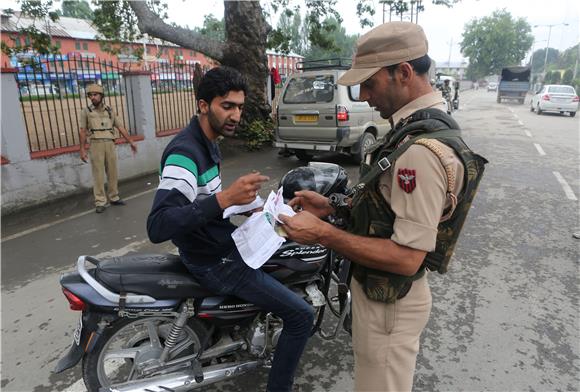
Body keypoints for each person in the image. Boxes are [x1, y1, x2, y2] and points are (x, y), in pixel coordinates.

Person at [279, 21, 486, 392]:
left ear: (403, 73)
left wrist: (323, 234)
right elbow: (385, 210)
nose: (361, 95)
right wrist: (333, 207)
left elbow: (407, 257)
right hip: (384, 299)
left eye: (370, 83)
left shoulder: (420, 152)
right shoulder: (412, 130)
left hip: (389, 307)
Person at [146, 66, 314, 392]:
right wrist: (225, 200)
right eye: (228, 106)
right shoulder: (185, 153)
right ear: (203, 105)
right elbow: (159, 224)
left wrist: (251, 206)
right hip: (213, 259)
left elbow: (204, 200)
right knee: (301, 316)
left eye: (240, 106)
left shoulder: (208, 140)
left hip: (218, 243)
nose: (236, 114)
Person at [79, 83, 137, 213]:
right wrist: (82, 149)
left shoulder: (109, 110)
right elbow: (82, 130)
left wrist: (131, 141)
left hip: (110, 143)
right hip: (96, 144)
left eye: (95, 95)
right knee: (98, 173)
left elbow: (120, 126)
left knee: (112, 172)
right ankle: (100, 201)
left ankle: (114, 197)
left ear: (101, 95)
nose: (92, 98)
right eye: (90, 95)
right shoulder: (86, 112)